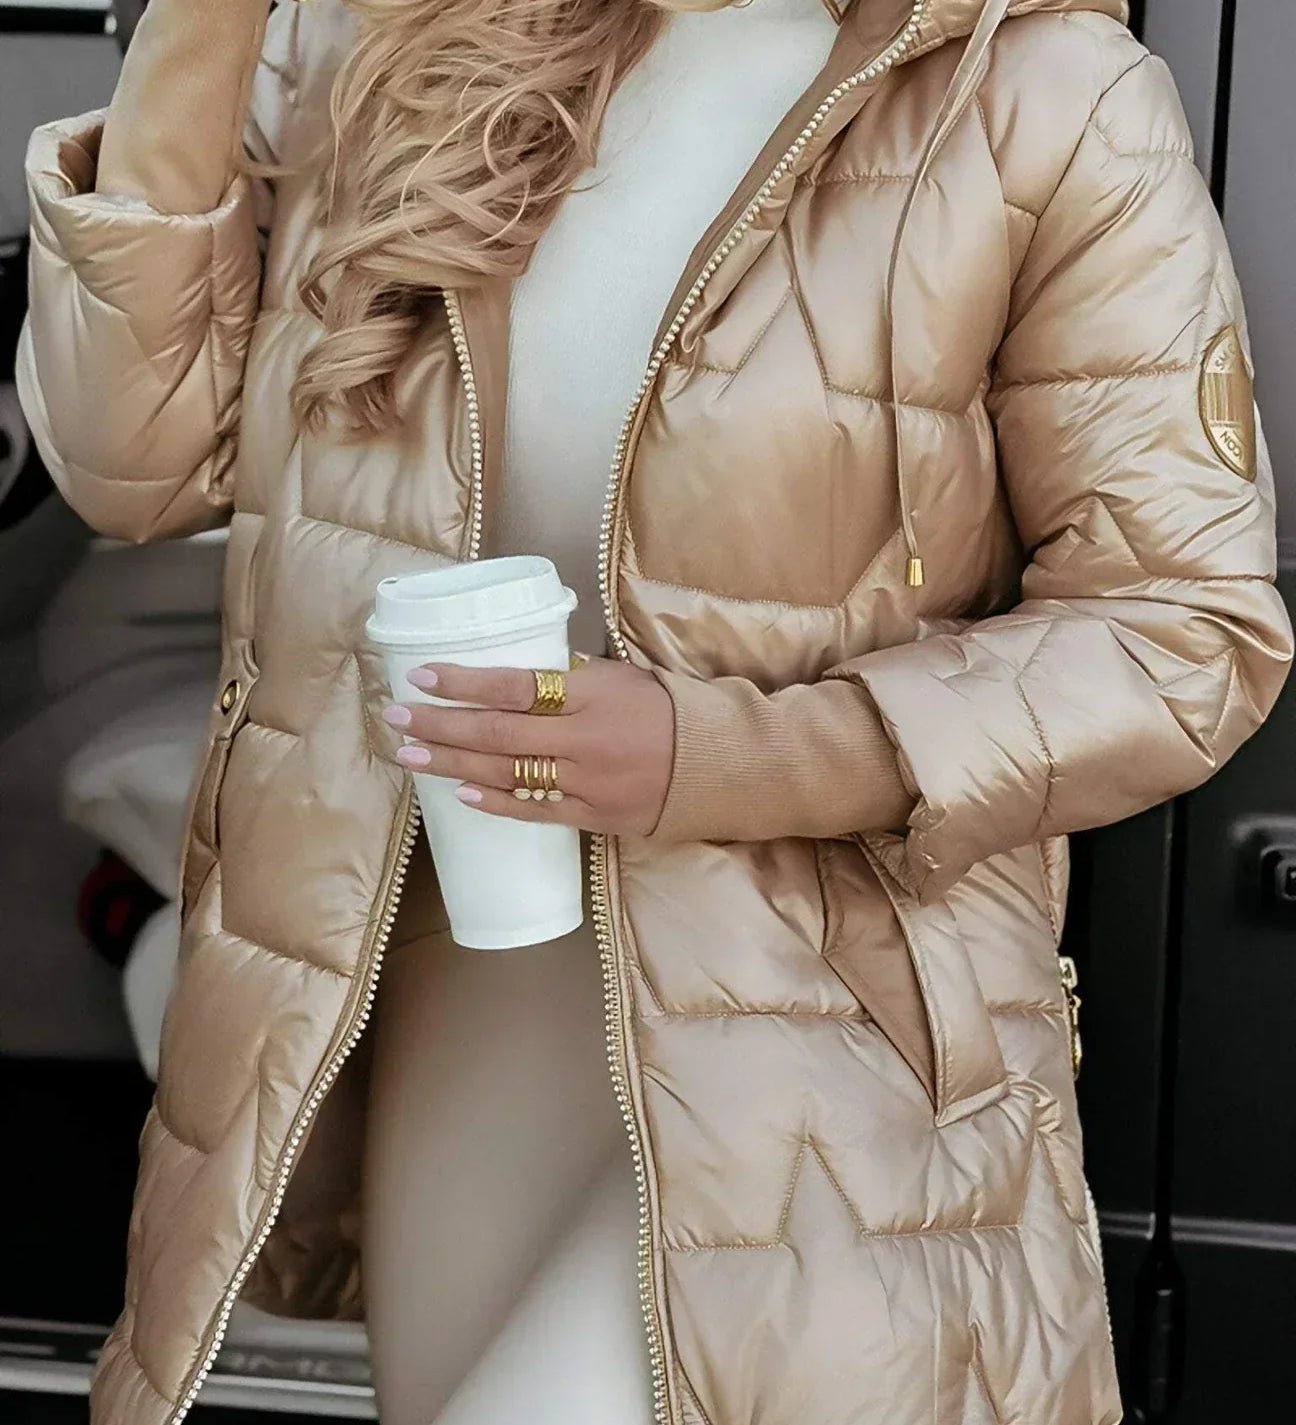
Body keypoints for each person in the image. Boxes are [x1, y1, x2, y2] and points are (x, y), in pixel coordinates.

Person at [17, 0, 1292, 1420]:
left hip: (821, 1037)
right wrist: (201, 28)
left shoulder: (1035, 92)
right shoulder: (373, 42)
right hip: (463, 1013)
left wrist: (730, 755)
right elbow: (134, 466)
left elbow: (1184, 634)